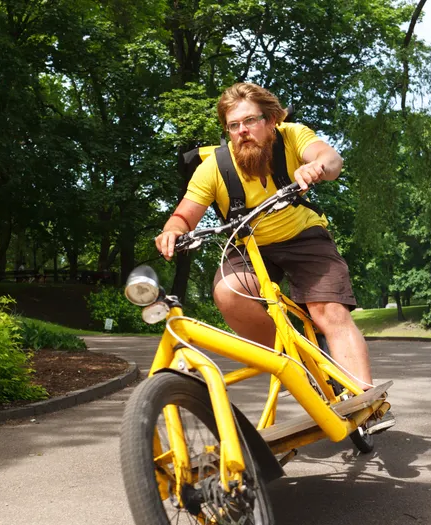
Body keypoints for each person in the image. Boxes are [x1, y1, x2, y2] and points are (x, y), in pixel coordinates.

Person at [154, 82, 372, 389]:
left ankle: (366, 399)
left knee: (328, 310)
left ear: (270, 121)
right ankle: (293, 366)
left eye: (250, 121)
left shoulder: (292, 135)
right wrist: (172, 230)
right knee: (228, 292)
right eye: (233, 125)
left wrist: (317, 166)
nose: (242, 130)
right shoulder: (215, 166)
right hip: (249, 246)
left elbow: (331, 159)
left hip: (303, 236)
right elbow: (183, 216)